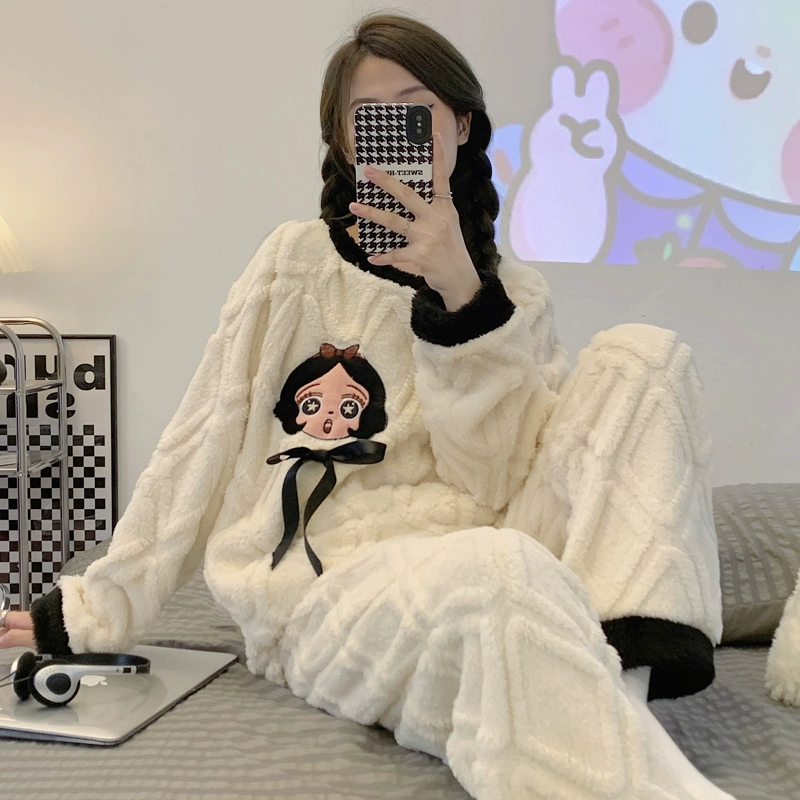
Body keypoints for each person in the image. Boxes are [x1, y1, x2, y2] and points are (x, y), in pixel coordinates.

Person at [1, 13, 732, 800]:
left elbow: (495, 480)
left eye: (416, 108)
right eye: (370, 117)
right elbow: (203, 437)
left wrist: (462, 297)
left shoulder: (515, 294)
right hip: (330, 588)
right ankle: (600, 719)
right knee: (498, 572)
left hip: (486, 544)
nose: (395, 130)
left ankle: (621, 678)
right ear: (347, 143)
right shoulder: (295, 263)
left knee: (645, 359)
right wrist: (93, 606)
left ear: (460, 124)